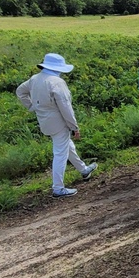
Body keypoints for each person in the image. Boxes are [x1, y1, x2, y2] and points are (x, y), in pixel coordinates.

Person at [16, 52, 97, 198]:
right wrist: (74, 127)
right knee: (60, 153)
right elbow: (65, 107)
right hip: (59, 122)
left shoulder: (35, 78)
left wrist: (32, 106)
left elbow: (20, 91)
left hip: (44, 121)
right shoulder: (57, 82)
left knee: (67, 146)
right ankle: (58, 188)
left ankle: (84, 169)